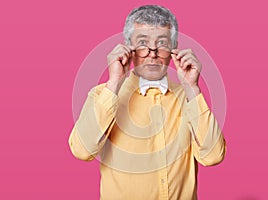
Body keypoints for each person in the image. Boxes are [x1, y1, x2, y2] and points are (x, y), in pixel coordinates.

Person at [68, 5, 226, 200]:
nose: (153, 53)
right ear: (128, 48)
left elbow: (213, 156)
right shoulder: (103, 94)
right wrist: (115, 81)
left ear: (174, 49)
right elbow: (82, 151)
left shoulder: (189, 98)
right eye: (143, 43)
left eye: (162, 43)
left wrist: (192, 88)